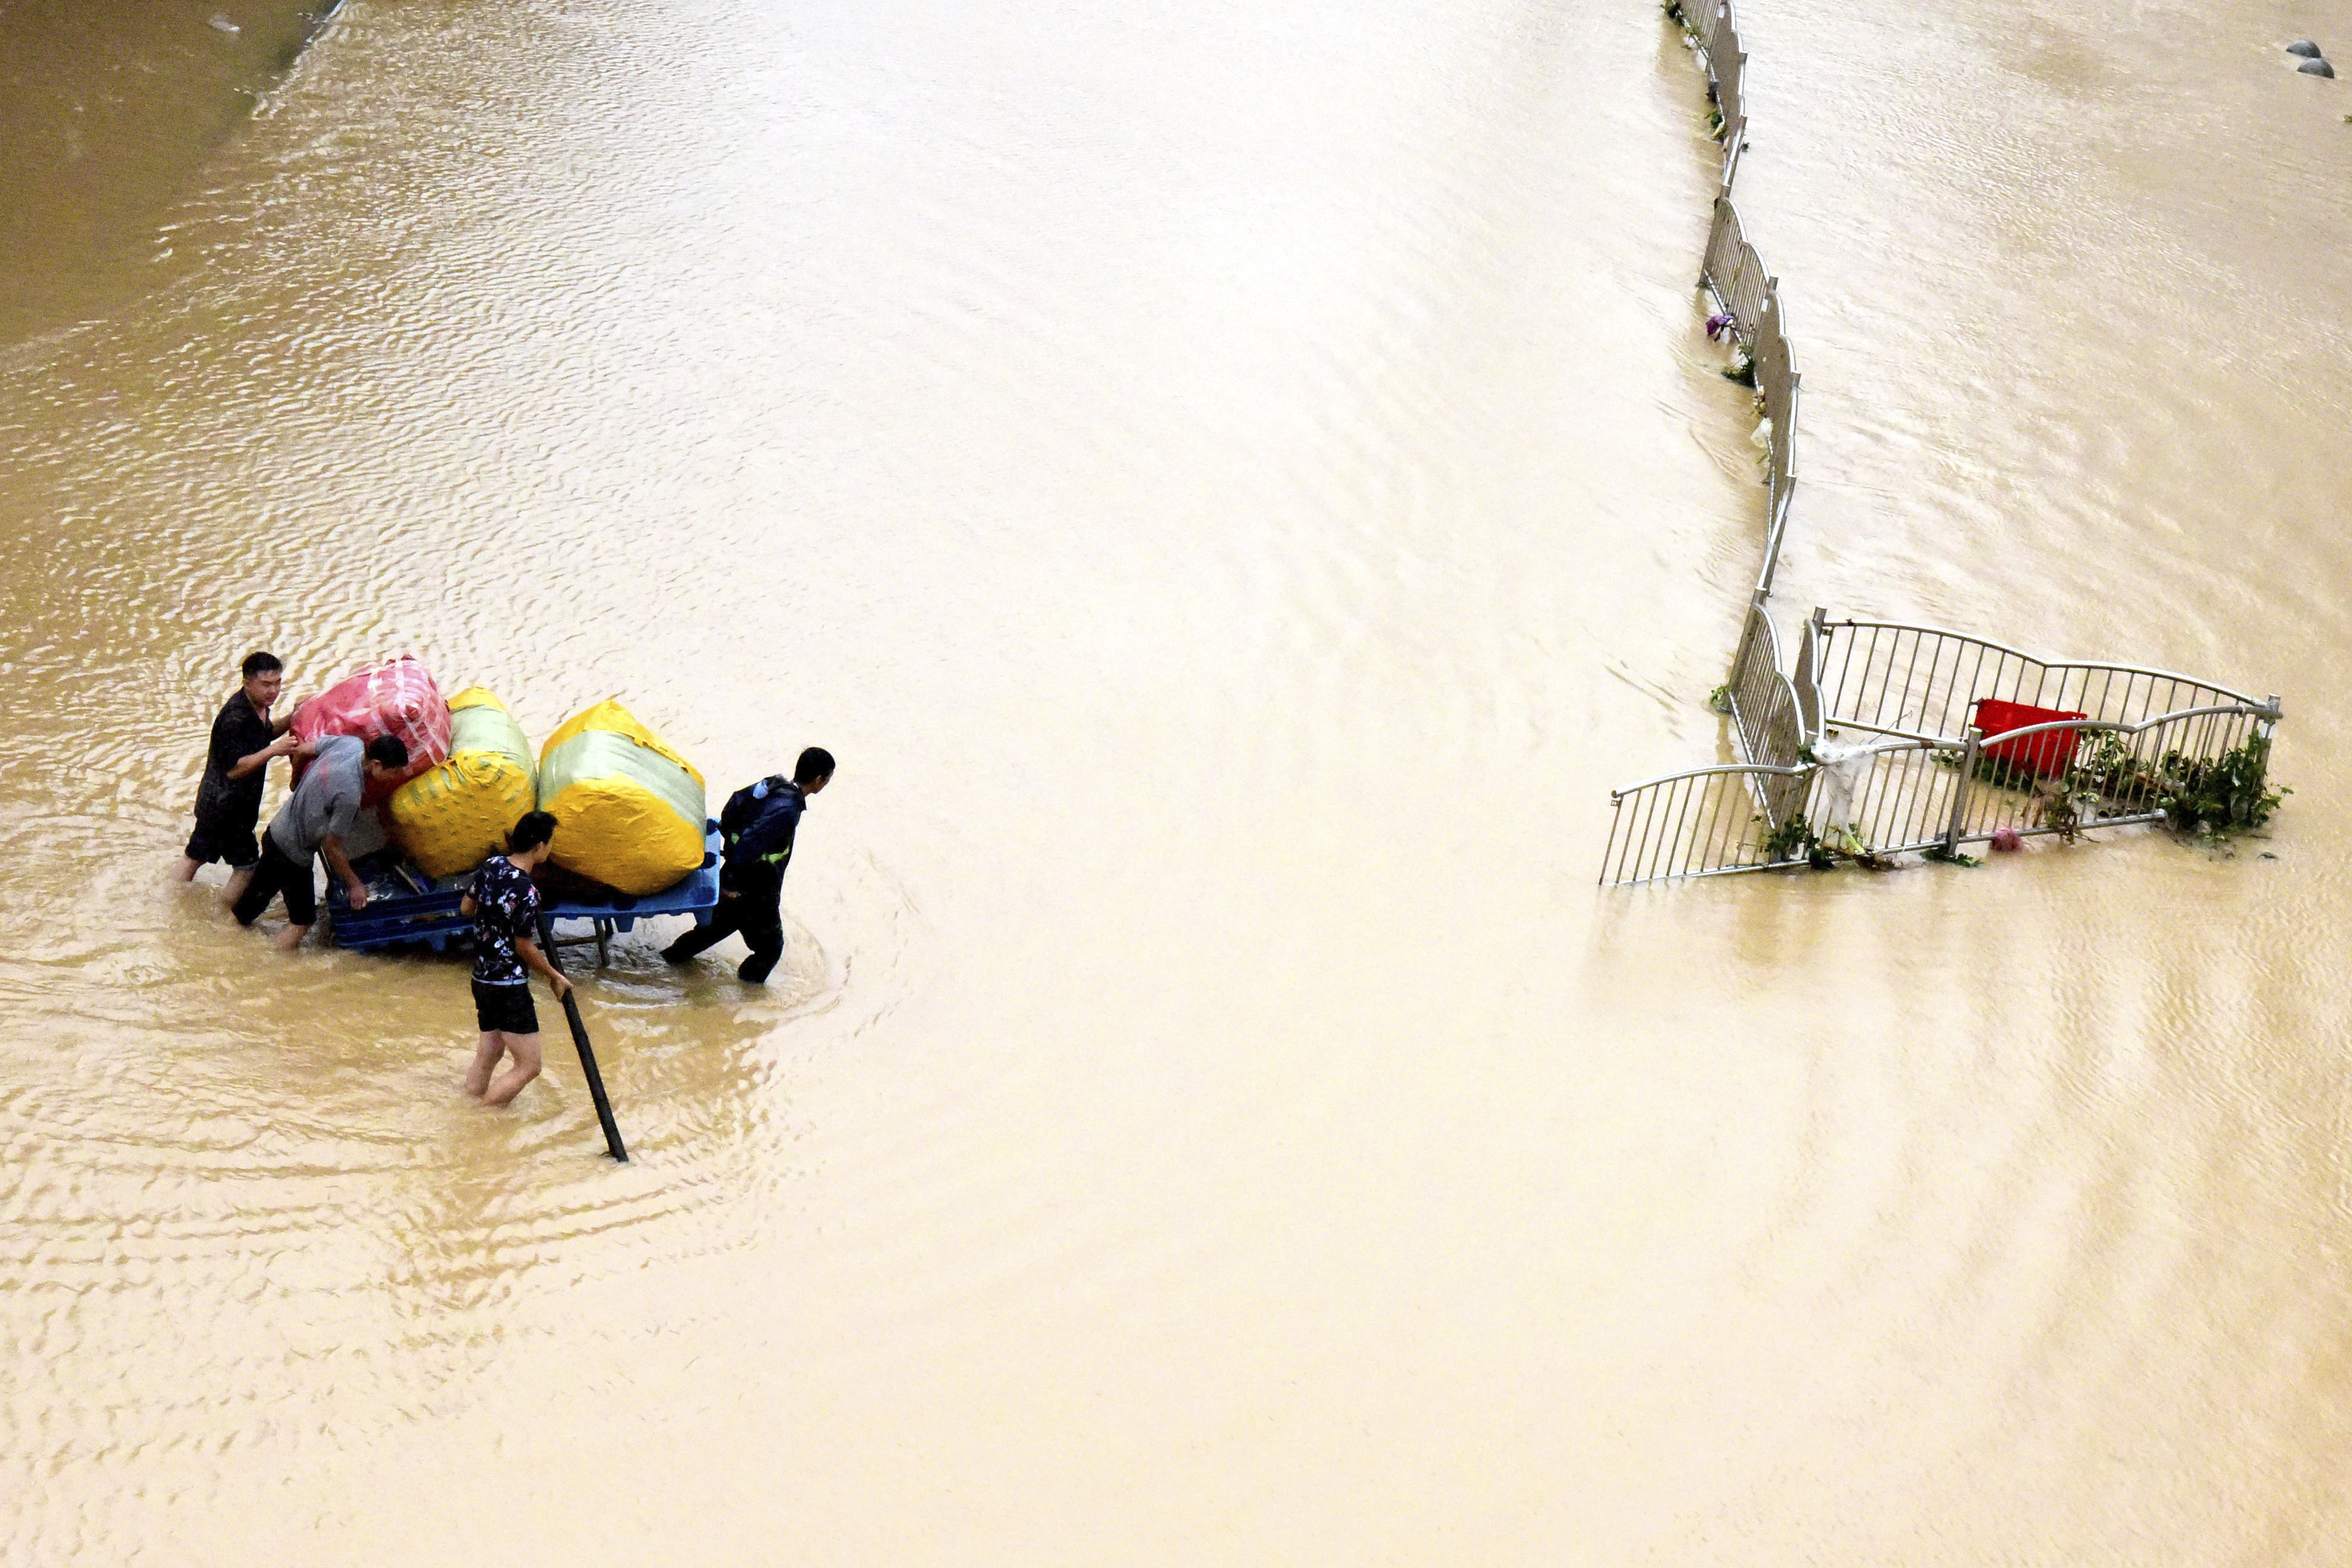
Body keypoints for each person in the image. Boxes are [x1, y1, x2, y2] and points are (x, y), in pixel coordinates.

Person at [662, 746, 834, 984]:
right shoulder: (788, 810)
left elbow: (733, 807)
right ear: (818, 780)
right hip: (755, 891)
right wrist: (732, 884)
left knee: (710, 931)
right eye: (827, 779)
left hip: (736, 882)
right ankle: (749, 996)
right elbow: (751, 841)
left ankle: (667, 962)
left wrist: (729, 878)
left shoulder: (773, 785)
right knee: (770, 949)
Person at [232, 733, 409, 950]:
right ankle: (264, 963)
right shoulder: (349, 794)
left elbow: (302, 750)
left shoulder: (350, 744)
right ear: (377, 765)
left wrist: (295, 780)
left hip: (276, 833)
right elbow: (331, 847)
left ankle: (230, 941)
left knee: (246, 911)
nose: (396, 776)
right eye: (394, 772)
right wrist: (355, 885)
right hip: (293, 856)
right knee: (303, 921)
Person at [459, 811, 571, 1107]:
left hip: (481, 978)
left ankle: (466, 1108)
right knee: (530, 1066)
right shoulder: (527, 891)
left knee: (491, 1052)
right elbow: (524, 946)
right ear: (538, 846)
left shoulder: (491, 866)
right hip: (508, 985)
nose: (550, 849)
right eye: (550, 843)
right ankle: (482, 1120)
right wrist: (553, 975)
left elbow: (466, 908)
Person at [174, 652, 300, 903]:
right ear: (247, 682)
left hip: (217, 804)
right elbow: (235, 769)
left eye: (277, 683)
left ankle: (174, 901)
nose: (273, 691)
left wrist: (293, 717)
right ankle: (222, 917)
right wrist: (275, 751)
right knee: (247, 868)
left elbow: (265, 734)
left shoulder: (259, 708)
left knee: (195, 857)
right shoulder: (235, 719)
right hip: (228, 809)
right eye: (266, 685)